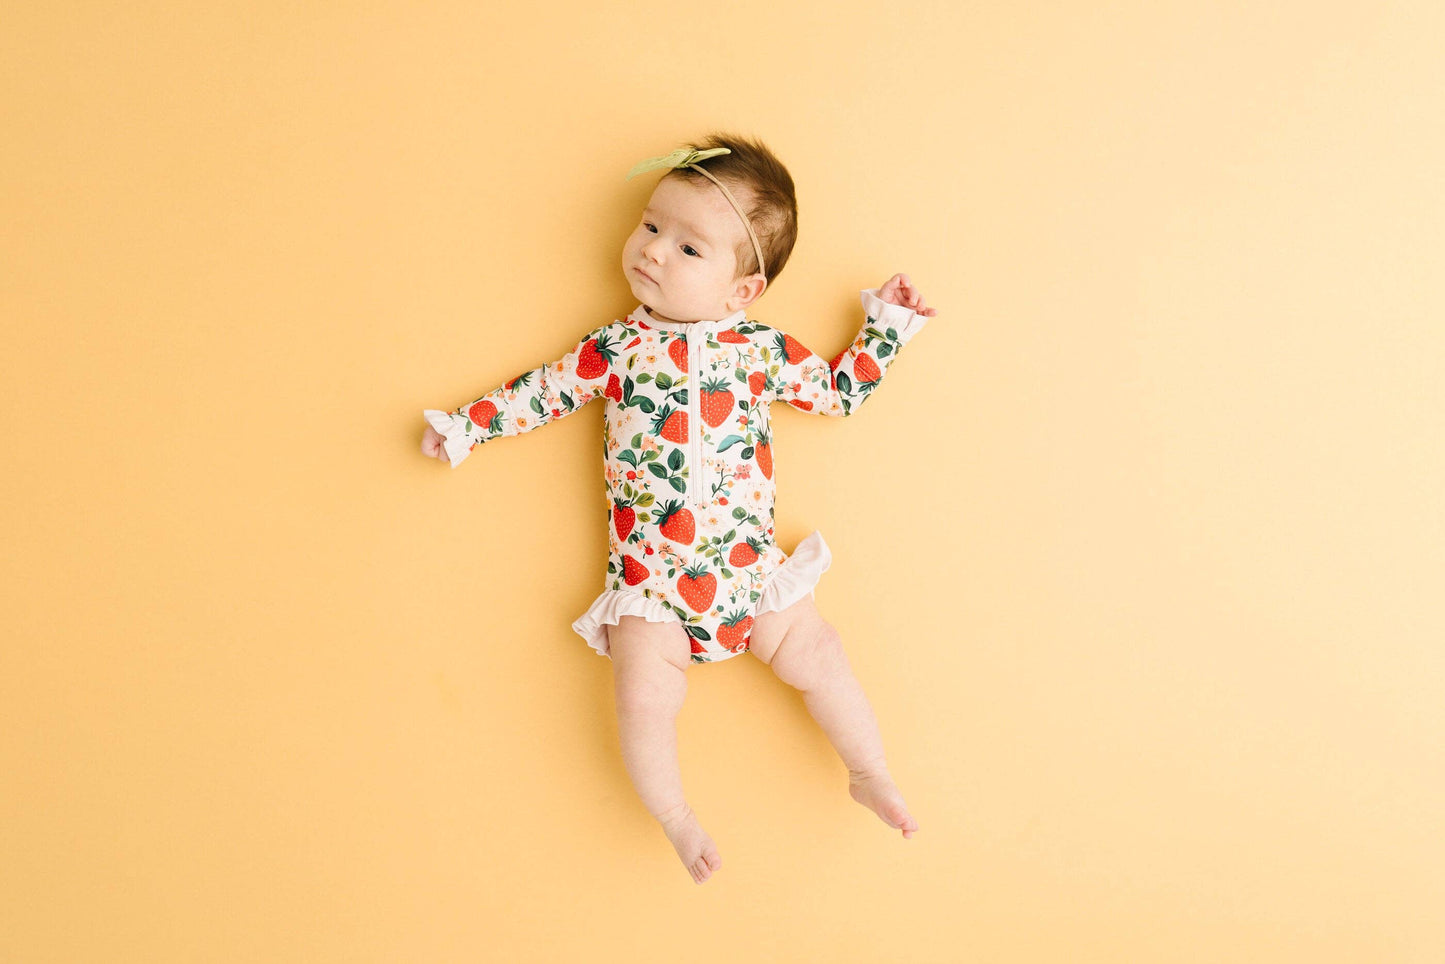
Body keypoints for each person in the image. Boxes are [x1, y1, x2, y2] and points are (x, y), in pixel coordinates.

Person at [422, 133, 937, 884]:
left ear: (741, 293)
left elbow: (839, 393)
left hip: (747, 571)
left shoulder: (759, 349)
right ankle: (675, 817)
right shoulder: (618, 348)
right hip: (652, 581)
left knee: (820, 655)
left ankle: (868, 770)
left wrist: (885, 327)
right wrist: (468, 425)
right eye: (651, 225)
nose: (653, 251)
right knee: (642, 695)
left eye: (688, 248)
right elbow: (543, 390)